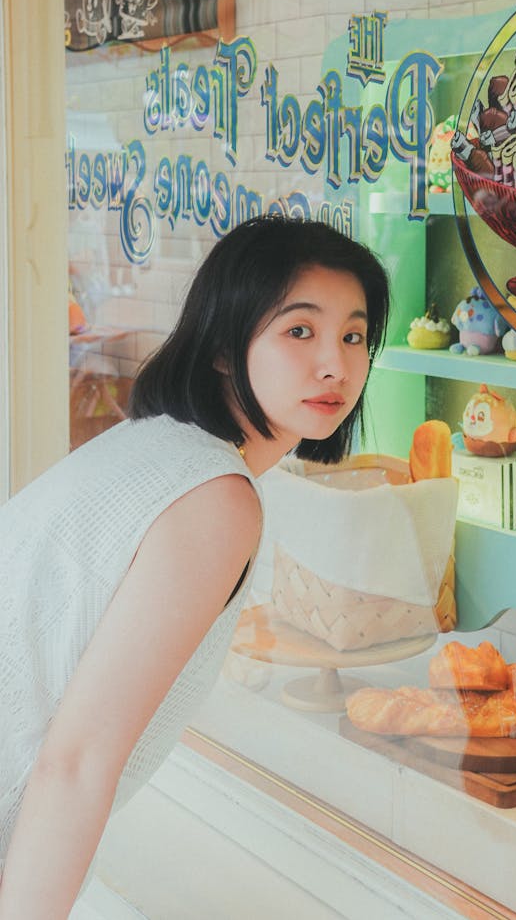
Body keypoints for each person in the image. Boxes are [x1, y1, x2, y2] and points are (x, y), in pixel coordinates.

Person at [0, 215, 390, 919]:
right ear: (222, 347)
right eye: (299, 330)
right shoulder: (216, 496)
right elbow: (76, 763)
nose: (336, 362)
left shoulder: (157, 444)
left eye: (354, 335)